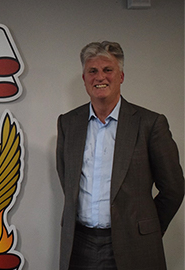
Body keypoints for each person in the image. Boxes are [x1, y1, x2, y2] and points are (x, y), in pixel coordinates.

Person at [56, 41, 184, 270]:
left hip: (133, 244)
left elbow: (173, 188)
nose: (99, 77)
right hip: (79, 243)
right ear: (84, 78)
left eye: (108, 70)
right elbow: (67, 177)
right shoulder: (68, 122)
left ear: (121, 76)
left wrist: (147, 228)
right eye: (92, 71)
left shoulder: (150, 123)